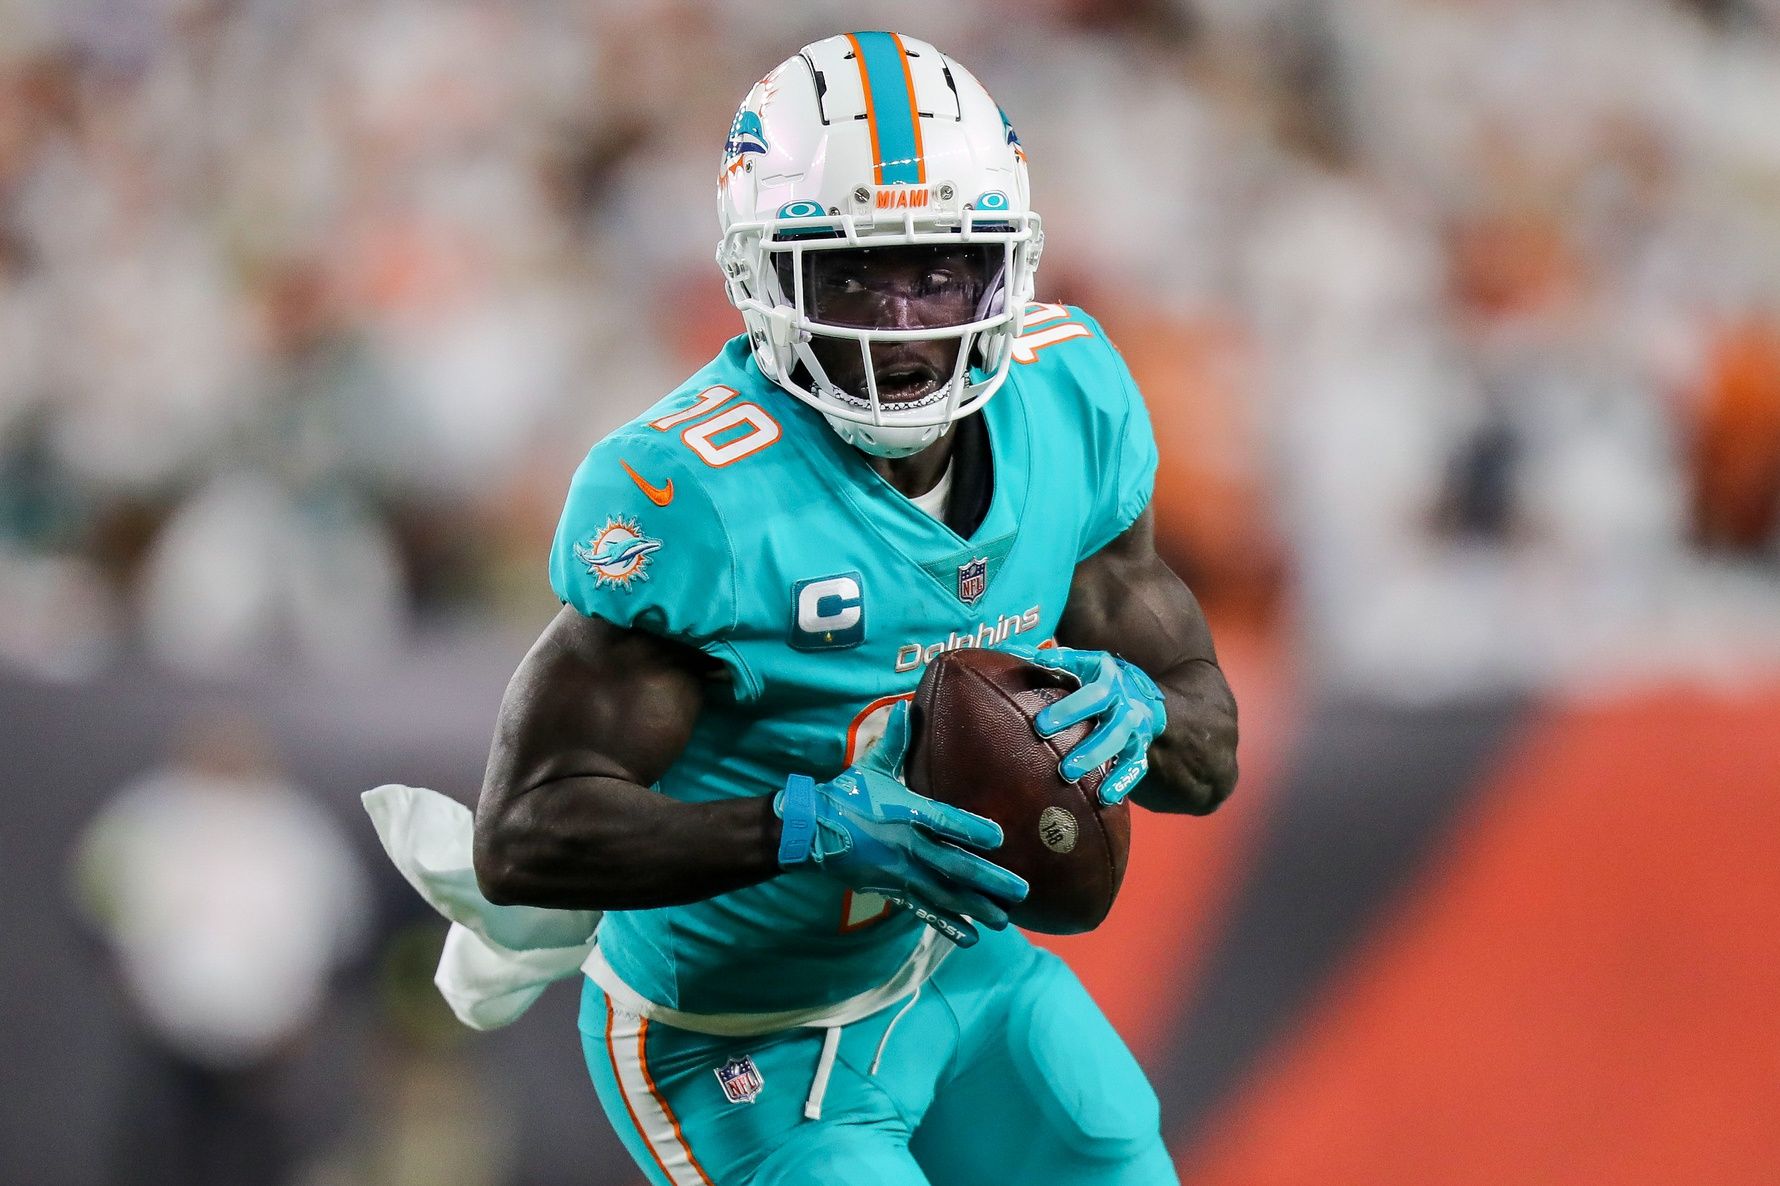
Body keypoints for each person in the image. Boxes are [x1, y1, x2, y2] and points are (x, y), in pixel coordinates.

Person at [472, 31, 1237, 1186]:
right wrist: (804, 823)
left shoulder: (1069, 403)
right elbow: (525, 831)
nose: (901, 323)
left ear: (1007, 267)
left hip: (948, 964)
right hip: (736, 1029)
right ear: (762, 279)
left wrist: (1140, 713)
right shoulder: (694, 498)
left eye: (938, 272)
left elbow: (1207, 762)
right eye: (851, 275)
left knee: (1110, 1143)